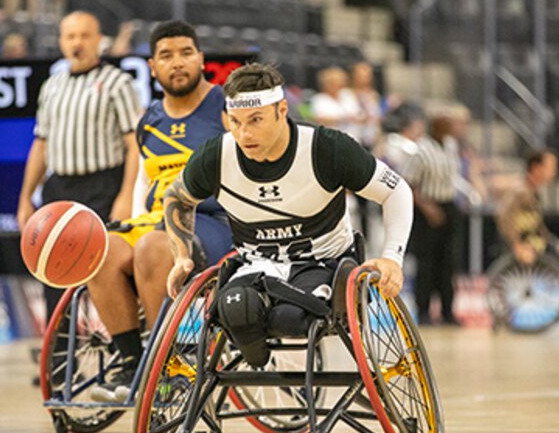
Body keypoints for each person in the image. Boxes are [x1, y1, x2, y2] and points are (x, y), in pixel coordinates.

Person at [163, 63, 413, 369]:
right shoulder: (216, 155)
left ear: (282, 110)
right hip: (255, 264)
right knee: (234, 309)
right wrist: (181, 255)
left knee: (291, 319)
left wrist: (392, 258)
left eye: (256, 120)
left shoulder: (326, 148)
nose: (244, 133)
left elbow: (396, 191)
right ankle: (258, 363)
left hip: (323, 263)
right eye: (236, 121)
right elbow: (177, 198)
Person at [83, 20, 231, 389]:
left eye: (186, 53)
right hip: (157, 219)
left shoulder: (225, 107)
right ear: (152, 66)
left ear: (201, 58)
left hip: (213, 221)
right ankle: (132, 364)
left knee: (152, 246)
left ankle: (170, 365)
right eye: (166, 56)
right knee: (100, 251)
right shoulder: (149, 119)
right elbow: (143, 182)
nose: (177, 63)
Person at [17, 11, 141, 321]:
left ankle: (122, 349)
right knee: (52, 272)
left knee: (110, 268)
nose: (78, 43)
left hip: (103, 184)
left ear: (99, 40)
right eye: (71, 36)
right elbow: (40, 145)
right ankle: (58, 361)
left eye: (85, 36)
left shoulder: (117, 82)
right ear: (61, 42)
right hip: (59, 187)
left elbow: (134, 145)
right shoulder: (52, 86)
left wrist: (126, 196)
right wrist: (24, 200)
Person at [497, 149, 559, 318]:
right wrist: (517, 246)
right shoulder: (520, 191)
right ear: (536, 168)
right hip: (528, 245)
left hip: (539, 241)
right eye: (550, 166)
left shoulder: (533, 191)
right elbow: (504, 217)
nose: (554, 171)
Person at [405, 107, 463, 326]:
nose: (452, 127)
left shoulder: (451, 146)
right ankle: (424, 312)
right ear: (437, 125)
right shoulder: (421, 150)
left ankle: (448, 311)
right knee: (426, 263)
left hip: (448, 205)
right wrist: (428, 208)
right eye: (447, 123)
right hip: (427, 209)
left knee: (449, 263)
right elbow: (409, 184)